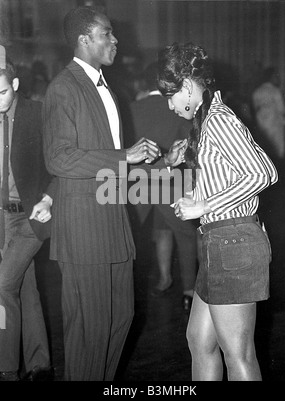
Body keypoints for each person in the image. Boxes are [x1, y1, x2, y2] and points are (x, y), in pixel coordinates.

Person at [42, 7, 183, 381]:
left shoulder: (107, 89)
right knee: (91, 330)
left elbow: (111, 164)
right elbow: (59, 159)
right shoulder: (63, 88)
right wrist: (125, 155)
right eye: (107, 33)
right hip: (84, 227)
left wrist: (165, 163)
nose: (115, 40)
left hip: (114, 222)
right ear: (84, 40)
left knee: (121, 318)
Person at [157, 43, 278, 381]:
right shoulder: (207, 122)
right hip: (219, 242)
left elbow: (263, 173)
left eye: (170, 96)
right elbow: (230, 178)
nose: (169, 105)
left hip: (233, 243)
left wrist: (205, 204)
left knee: (237, 353)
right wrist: (196, 195)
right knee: (199, 339)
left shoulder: (220, 120)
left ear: (187, 85)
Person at [0, 51, 55, 381]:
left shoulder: (37, 114)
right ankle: (40, 365)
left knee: (3, 285)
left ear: (16, 84)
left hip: (31, 217)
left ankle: (6, 368)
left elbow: (59, 163)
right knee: (26, 286)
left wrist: (49, 198)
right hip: (1, 218)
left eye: (2, 92)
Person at [128, 62, 198, 311]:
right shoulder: (177, 108)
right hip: (170, 181)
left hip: (137, 183)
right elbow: (189, 149)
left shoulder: (132, 108)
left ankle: (158, 280)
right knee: (184, 234)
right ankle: (188, 292)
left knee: (139, 234)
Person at [252, 67, 285, 167]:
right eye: (276, 76)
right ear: (271, 77)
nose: (278, 79)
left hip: (262, 124)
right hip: (275, 124)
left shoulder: (257, 91)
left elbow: (255, 107)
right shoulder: (275, 91)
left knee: (264, 148)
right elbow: (282, 109)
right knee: (277, 149)